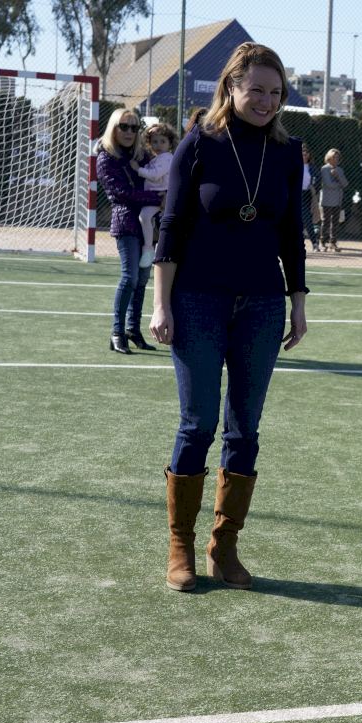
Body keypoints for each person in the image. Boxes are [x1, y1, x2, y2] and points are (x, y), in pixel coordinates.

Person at [148, 42, 309, 592]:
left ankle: (225, 546)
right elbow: (171, 226)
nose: (266, 101)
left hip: (262, 304)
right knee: (197, 424)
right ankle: (181, 546)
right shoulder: (199, 142)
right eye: (256, 89)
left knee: (245, 429)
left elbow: (292, 233)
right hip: (197, 300)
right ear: (231, 88)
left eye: (275, 92)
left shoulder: (288, 152)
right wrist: (160, 302)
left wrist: (298, 300)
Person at [98, 108, 164, 355]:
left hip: (149, 224)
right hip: (126, 223)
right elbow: (121, 194)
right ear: (113, 128)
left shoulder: (142, 155)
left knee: (143, 280)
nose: (129, 132)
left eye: (134, 127)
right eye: (124, 126)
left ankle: (133, 330)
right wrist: (159, 198)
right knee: (130, 278)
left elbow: (159, 175)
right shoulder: (106, 157)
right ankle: (117, 333)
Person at [132, 122, 177, 270]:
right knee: (147, 219)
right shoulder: (157, 158)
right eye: (154, 141)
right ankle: (152, 248)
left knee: (146, 217)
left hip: (160, 196)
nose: (158, 145)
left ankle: (149, 248)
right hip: (154, 196)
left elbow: (155, 175)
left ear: (170, 143)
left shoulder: (166, 158)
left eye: (162, 141)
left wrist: (138, 169)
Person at [319, 148, 347, 252]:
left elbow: (345, 184)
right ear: (329, 158)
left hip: (337, 199)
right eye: (334, 157)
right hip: (327, 199)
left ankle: (333, 242)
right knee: (325, 221)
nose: (336, 159)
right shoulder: (324, 169)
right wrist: (339, 184)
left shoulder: (340, 170)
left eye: (337, 157)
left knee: (335, 222)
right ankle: (322, 242)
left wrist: (337, 177)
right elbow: (328, 184)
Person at [301, 143, 321, 252]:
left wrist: (313, 187)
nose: (304, 155)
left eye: (306, 153)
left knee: (307, 219)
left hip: (306, 195)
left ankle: (315, 243)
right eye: (302, 153)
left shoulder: (312, 167)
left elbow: (318, 180)